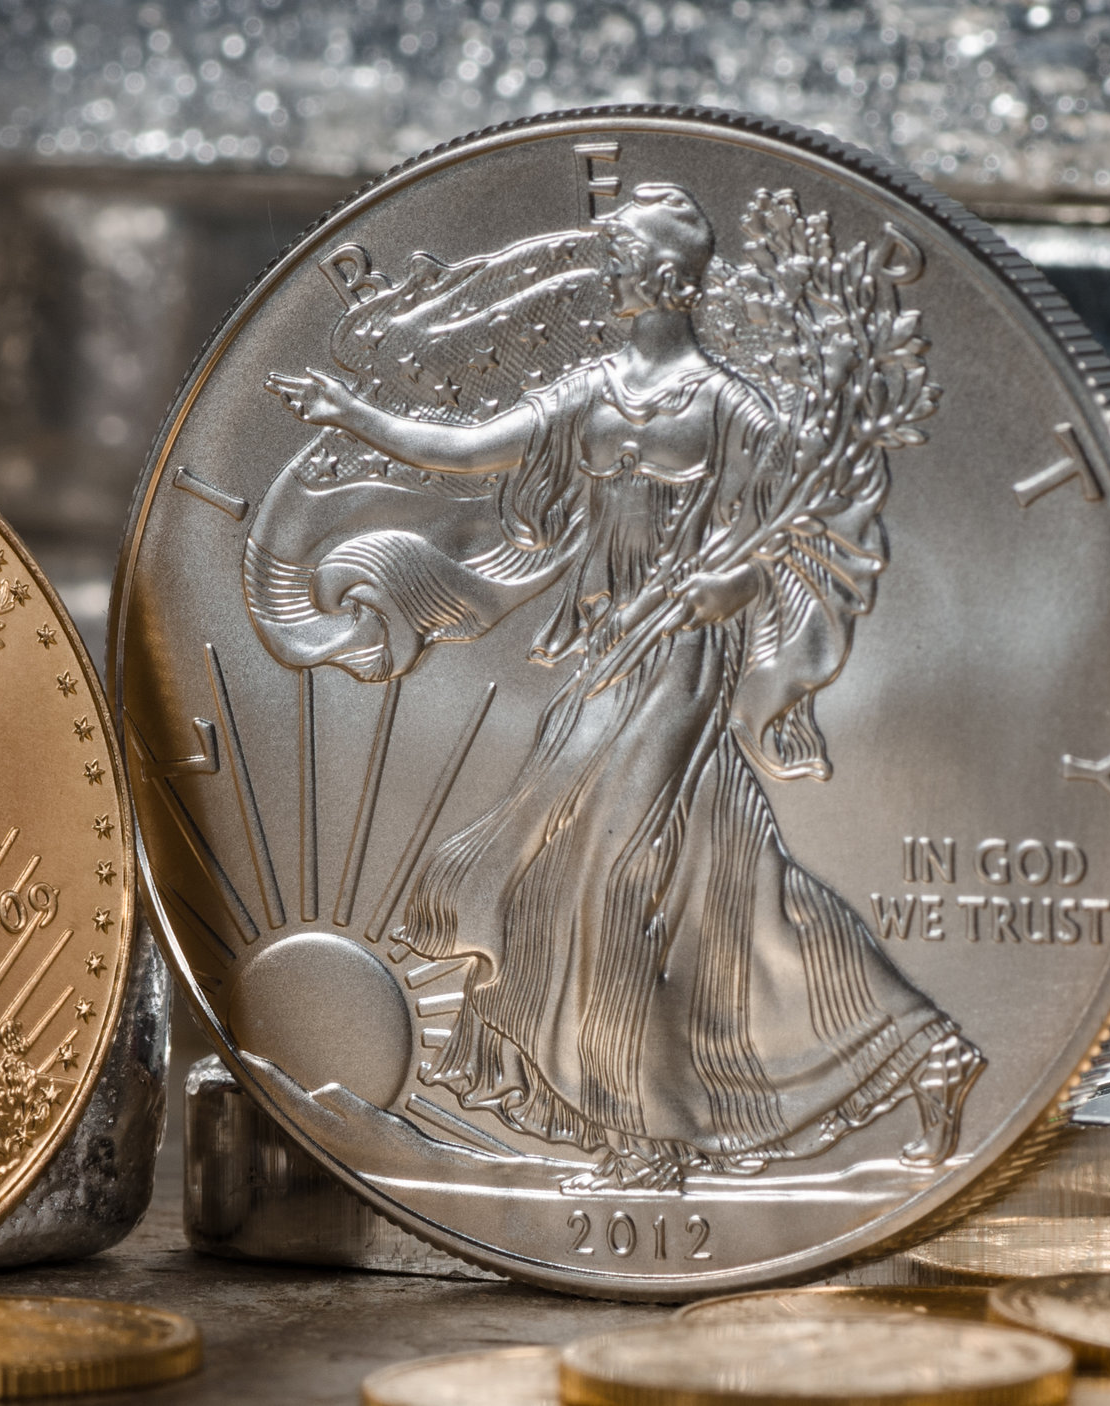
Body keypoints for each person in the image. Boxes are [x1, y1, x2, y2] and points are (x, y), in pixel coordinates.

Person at [266, 183, 981, 1192]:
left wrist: (729, 584)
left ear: (667, 279)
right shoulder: (592, 390)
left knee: (607, 873)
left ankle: (648, 1138)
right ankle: (925, 1050)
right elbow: (470, 452)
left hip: (684, 661)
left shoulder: (733, 409)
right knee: (730, 886)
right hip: (606, 653)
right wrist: (354, 412)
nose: (608, 275)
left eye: (623, 261)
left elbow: (791, 544)